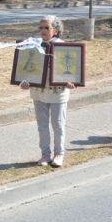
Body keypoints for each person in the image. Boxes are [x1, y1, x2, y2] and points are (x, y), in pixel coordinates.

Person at [20, 15, 76, 167]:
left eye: (47, 28)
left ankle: (59, 154)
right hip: (39, 93)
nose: (43, 31)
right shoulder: (33, 45)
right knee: (42, 126)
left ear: (56, 30)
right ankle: (45, 154)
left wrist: (72, 81)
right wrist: (24, 81)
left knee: (58, 125)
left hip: (58, 93)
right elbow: (26, 68)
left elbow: (70, 69)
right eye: (41, 27)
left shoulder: (63, 46)